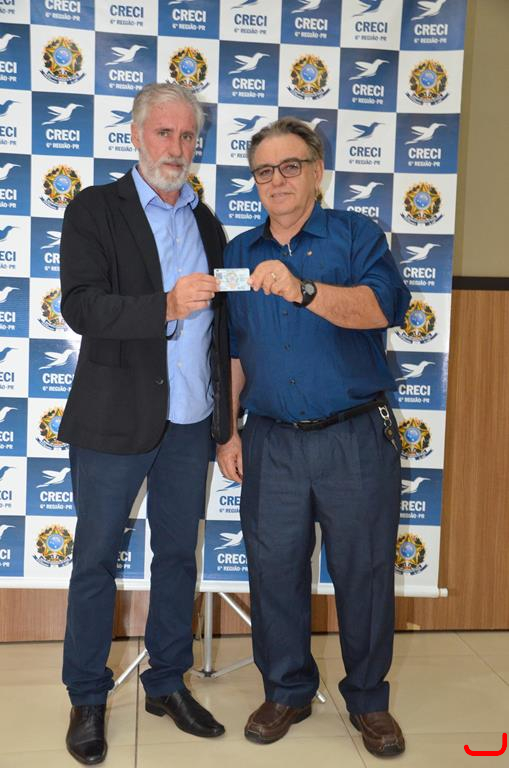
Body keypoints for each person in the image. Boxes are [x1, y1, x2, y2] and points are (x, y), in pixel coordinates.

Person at [217, 117, 411, 758]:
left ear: (317, 171)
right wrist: (227, 432)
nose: (276, 180)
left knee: (364, 573)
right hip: (270, 442)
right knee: (273, 572)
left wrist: (303, 290)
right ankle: (287, 692)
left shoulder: (356, 235)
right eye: (263, 171)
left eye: (290, 166)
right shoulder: (239, 254)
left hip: (353, 438)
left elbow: (382, 308)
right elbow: (235, 350)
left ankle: (369, 700)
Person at [59, 82, 231, 765]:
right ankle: (86, 696)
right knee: (96, 560)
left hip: (190, 419)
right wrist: (164, 304)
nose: (177, 148)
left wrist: (225, 419)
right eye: (164, 133)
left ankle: (166, 683)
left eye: (188, 136)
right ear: (136, 136)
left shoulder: (207, 224)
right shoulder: (94, 208)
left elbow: (219, 333)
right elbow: (81, 306)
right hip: (112, 417)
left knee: (177, 558)